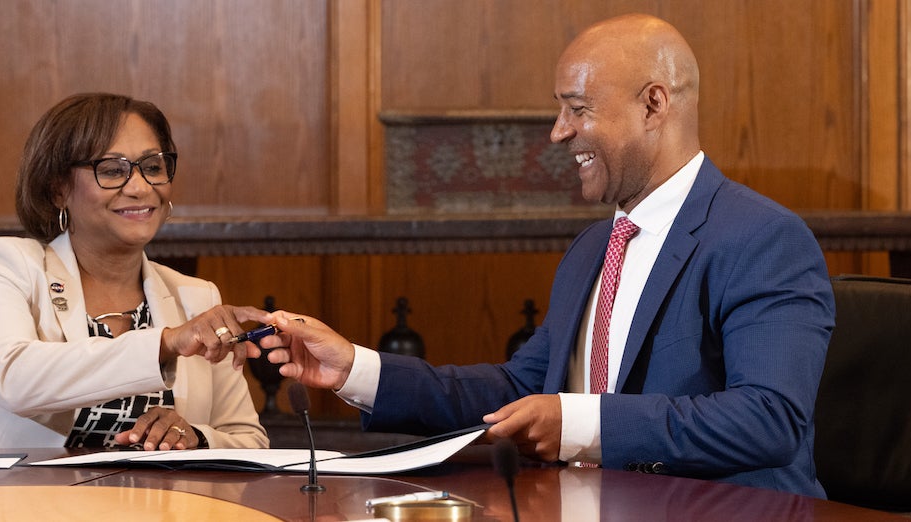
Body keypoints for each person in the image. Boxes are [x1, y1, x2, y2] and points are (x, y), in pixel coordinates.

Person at [255, 14, 834, 498]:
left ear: (653, 105)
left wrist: (578, 421)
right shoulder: (592, 251)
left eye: (578, 109)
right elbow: (516, 390)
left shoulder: (763, 238)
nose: (559, 133)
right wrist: (354, 370)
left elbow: (769, 419)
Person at [0, 93, 271, 451]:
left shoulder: (197, 297)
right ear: (58, 188)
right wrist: (164, 343)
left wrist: (197, 437)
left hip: (162, 504)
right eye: (111, 170)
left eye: (153, 167)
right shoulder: (5, 265)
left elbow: (249, 441)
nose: (140, 188)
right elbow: (11, 378)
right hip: (20, 498)